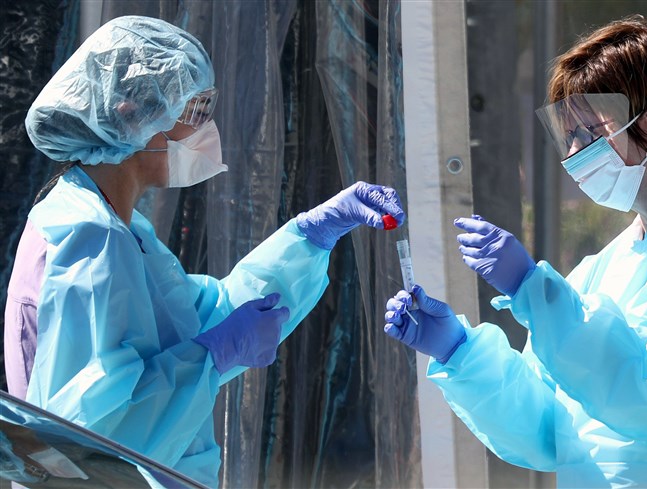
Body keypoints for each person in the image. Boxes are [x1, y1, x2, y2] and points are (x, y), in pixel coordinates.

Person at [3, 15, 405, 489]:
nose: (204, 130)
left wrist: (310, 235)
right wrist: (211, 356)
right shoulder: (90, 238)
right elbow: (95, 439)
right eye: (192, 111)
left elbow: (203, 317)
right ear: (131, 115)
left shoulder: (118, 229)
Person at [384, 14, 647, 488]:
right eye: (570, 138)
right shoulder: (603, 267)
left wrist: (533, 290)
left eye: (590, 133)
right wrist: (460, 353)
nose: (576, 154)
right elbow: (547, 431)